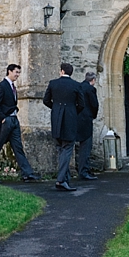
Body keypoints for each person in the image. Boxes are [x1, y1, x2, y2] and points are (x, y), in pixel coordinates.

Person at [0, 64, 41, 183]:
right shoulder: (2, 86)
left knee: (18, 147)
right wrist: (3, 118)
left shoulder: (12, 87)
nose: (18, 75)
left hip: (14, 120)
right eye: (16, 72)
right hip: (6, 121)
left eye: (19, 72)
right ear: (9, 71)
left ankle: (27, 174)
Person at [43, 62, 84, 191]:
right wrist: (72, 111)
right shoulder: (76, 85)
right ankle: (61, 180)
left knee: (61, 148)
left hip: (56, 119)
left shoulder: (53, 83)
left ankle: (64, 178)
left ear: (61, 71)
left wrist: (55, 109)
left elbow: (46, 100)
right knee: (67, 148)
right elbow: (81, 104)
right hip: (70, 120)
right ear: (70, 72)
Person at [76, 72, 99, 180]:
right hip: (86, 119)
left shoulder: (78, 86)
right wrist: (93, 115)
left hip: (77, 119)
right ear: (93, 80)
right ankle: (84, 171)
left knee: (81, 146)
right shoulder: (90, 89)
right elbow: (94, 104)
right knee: (86, 146)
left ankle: (84, 169)